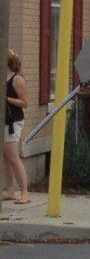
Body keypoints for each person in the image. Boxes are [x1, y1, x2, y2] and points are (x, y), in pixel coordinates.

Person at [4, 49, 30, 204]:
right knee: (5, 157)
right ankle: (10, 190)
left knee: (13, 157)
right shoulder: (3, 77)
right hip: (4, 121)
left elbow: (25, 102)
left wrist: (6, 99)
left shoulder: (17, 79)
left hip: (13, 122)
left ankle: (24, 192)